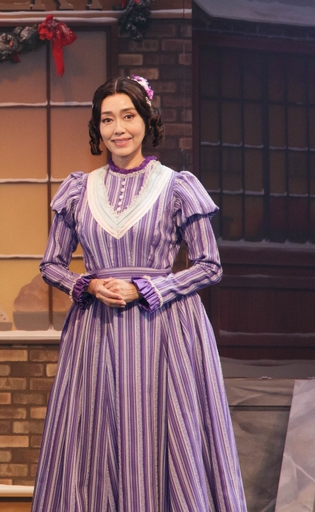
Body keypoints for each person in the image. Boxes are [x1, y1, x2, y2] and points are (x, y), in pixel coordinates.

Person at [33, 76, 246, 511]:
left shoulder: (176, 185)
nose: (118, 129)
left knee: (163, 432)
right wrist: (88, 284)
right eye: (107, 119)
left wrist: (147, 288)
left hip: (163, 328)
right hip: (96, 331)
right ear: (98, 127)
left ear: (146, 120)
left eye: (128, 116)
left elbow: (209, 265)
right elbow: (51, 264)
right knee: (94, 437)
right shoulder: (79, 189)